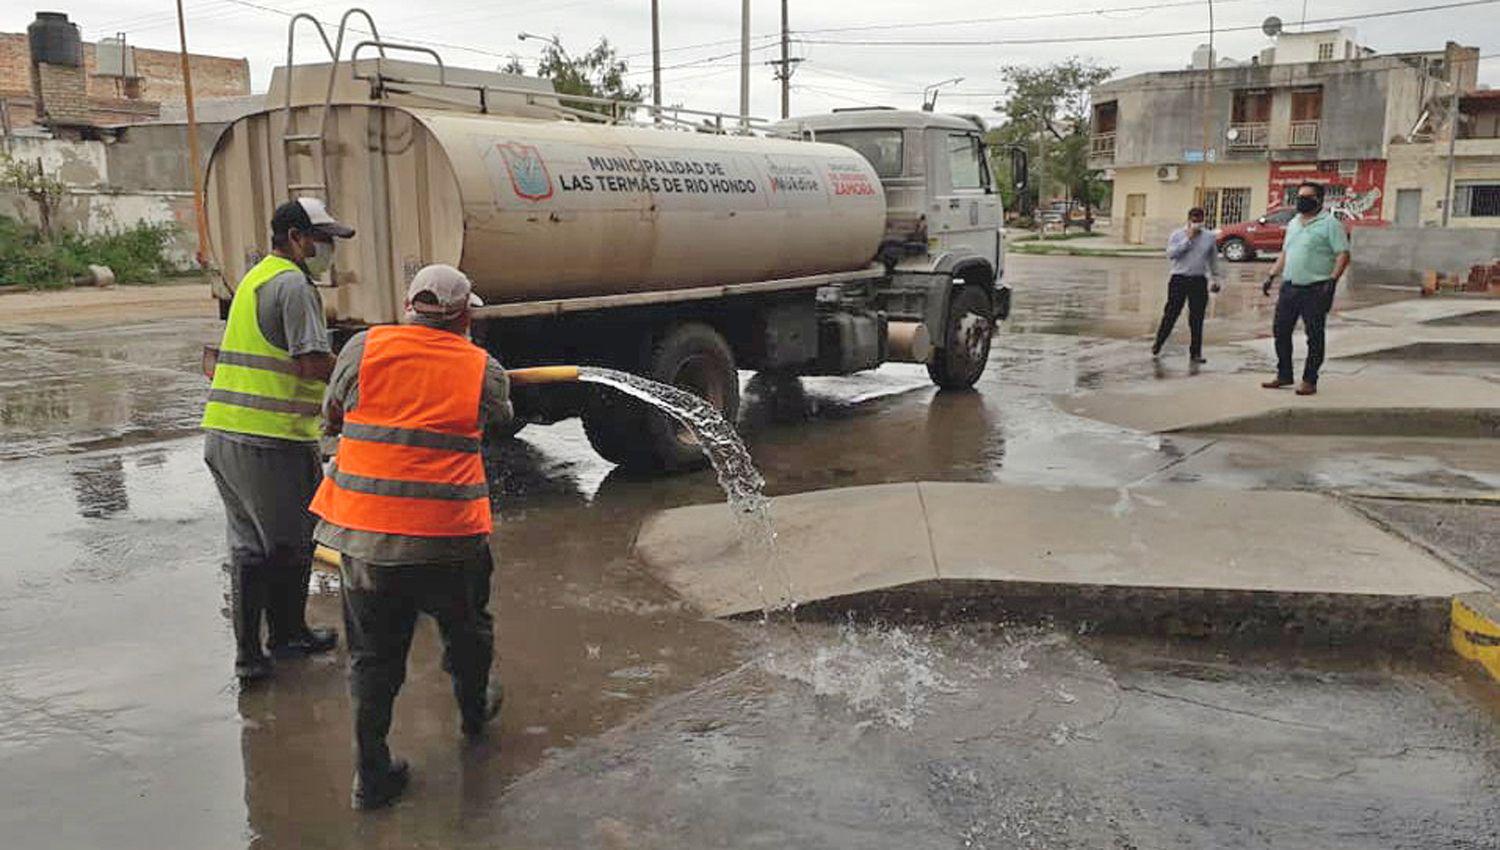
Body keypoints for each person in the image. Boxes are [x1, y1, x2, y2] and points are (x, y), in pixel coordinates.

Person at [309, 264, 512, 811]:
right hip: (448, 540)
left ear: (408, 306)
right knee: (467, 631)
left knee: (373, 659)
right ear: (466, 314)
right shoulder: (482, 370)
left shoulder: (361, 349)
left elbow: (332, 414)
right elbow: (495, 420)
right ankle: (473, 713)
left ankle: (370, 773)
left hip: (367, 541)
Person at [203, 198, 354, 682]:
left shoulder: (257, 276)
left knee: (250, 546)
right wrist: (357, 370)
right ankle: (285, 638)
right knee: (290, 543)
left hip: (226, 434)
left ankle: (255, 653)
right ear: (295, 237)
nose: (326, 249)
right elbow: (311, 362)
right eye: (320, 239)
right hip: (270, 439)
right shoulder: (293, 286)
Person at [1260, 181, 1351, 396]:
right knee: (1280, 331)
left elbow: (1343, 254)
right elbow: (1286, 252)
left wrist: (1332, 280)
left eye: (1306, 196)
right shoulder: (1293, 223)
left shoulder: (1330, 224)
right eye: (1299, 196)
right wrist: (1272, 275)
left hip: (1316, 288)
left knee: (1314, 335)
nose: (1301, 200)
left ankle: (1310, 380)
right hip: (1290, 287)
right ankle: (1284, 374)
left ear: (1318, 200)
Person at [1152, 206, 1223, 364]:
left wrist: (1215, 278)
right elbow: (1171, 254)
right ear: (1189, 220)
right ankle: (1158, 343)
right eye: (1194, 220)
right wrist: (1188, 239)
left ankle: (1196, 352)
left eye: (1199, 220)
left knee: (1197, 317)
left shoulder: (1209, 237)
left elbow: (1213, 260)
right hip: (1179, 278)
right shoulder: (1177, 235)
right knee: (1171, 313)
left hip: (1198, 279)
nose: (1197, 223)